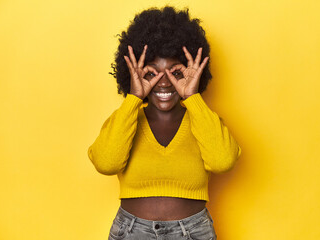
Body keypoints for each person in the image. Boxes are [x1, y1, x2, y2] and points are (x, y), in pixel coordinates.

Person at [88, 6, 241, 240]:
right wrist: (134, 98)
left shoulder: (204, 121)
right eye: (152, 73)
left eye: (175, 72)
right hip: (131, 233)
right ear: (133, 74)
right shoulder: (125, 120)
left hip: (193, 232)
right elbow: (106, 163)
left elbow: (223, 161)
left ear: (193, 73)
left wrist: (192, 98)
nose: (164, 82)